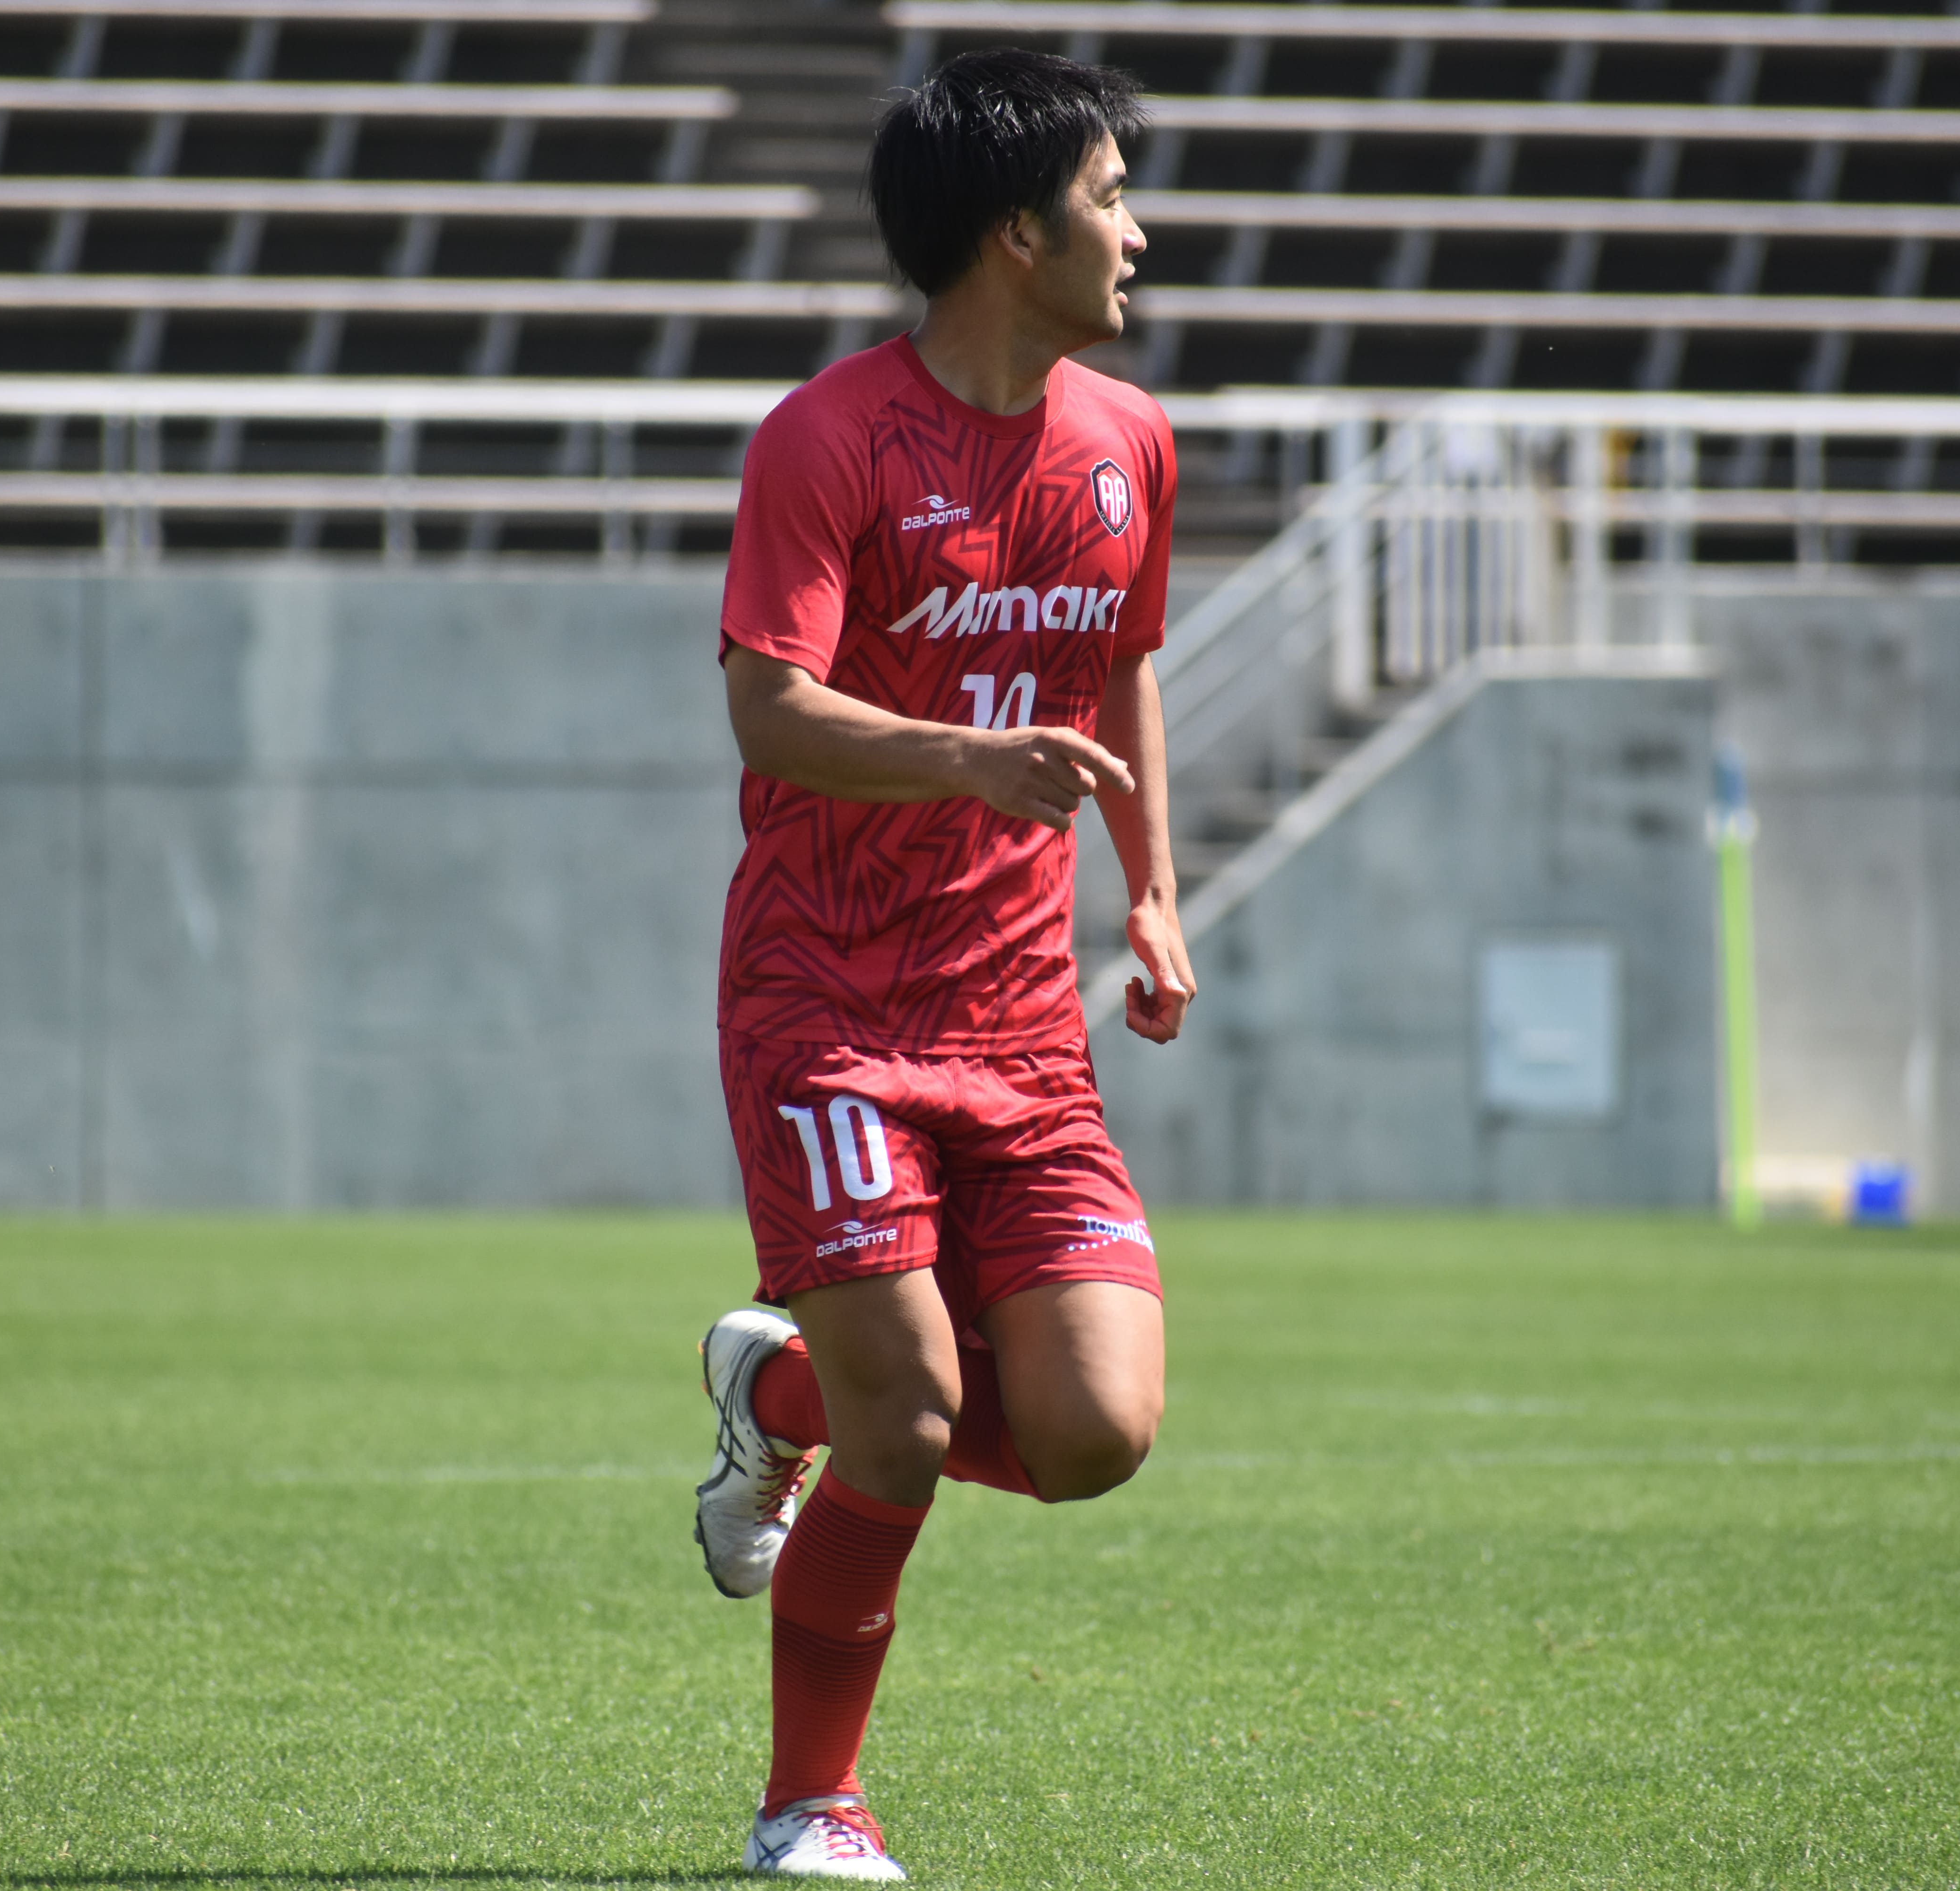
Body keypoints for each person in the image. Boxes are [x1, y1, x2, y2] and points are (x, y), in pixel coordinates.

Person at [691, 50, 1195, 1881]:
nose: (1138, 235)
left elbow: (1120, 658)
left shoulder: (1129, 443)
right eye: (1112, 198)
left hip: (1020, 1018)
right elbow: (770, 707)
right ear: (1015, 234)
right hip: (827, 1006)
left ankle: (780, 1396)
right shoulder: (828, 440)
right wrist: (969, 761)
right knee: (908, 1424)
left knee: (1095, 1429)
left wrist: (1154, 888)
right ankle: (809, 1808)